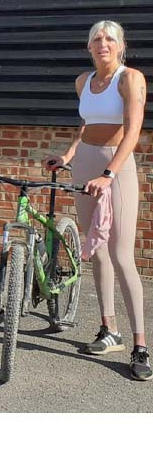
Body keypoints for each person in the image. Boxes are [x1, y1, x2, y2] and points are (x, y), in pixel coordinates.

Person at [44, 20, 150, 381]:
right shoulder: (83, 82)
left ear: (121, 45)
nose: (102, 44)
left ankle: (140, 345)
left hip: (114, 168)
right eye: (96, 39)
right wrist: (68, 155)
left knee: (121, 255)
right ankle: (109, 330)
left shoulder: (129, 78)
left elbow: (133, 130)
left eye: (109, 39)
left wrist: (109, 174)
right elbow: (86, 127)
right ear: (88, 46)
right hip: (85, 164)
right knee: (97, 250)